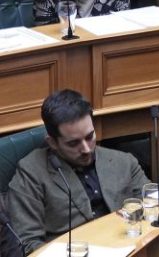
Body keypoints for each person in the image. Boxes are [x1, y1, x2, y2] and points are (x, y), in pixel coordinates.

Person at [7, 90, 149, 254]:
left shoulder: (123, 161)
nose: (86, 149)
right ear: (52, 143)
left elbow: (153, 206)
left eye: (89, 137)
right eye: (73, 143)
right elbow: (27, 243)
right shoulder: (31, 173)